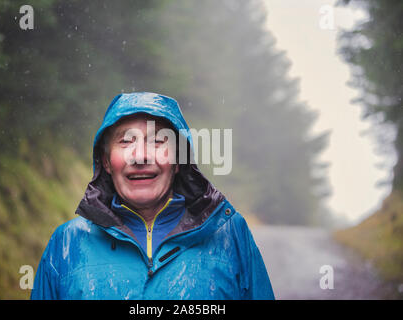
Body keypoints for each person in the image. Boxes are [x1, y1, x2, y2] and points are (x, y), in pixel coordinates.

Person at [30, 92, 274, 300]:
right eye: (126, 141)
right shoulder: (66, 243)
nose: (141, 156)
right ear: (106, 161)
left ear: (178, 161)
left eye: (158, 141)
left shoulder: (229, 234)